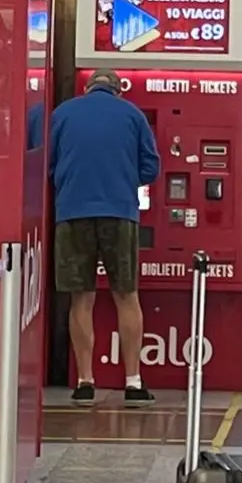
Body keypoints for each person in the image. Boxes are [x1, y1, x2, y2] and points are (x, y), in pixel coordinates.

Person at [50, 69, 159, 405]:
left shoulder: (63, 113)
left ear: (87, 88)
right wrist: (124, 179)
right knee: (127, 296)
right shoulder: (133, 114)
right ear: (117, 91)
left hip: (72, 212)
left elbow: (47, 163)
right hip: (120, 212)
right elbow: (151, 168)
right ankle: (133, 381)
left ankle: (85, 381)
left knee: (81, 298)